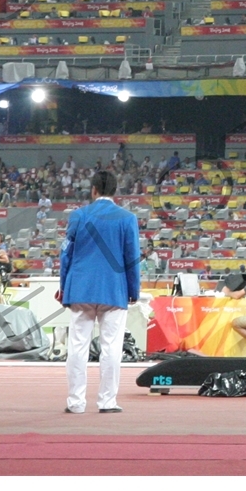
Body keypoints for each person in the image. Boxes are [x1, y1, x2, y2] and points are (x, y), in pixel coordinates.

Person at [59, 170, 141, 414]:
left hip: (81, 288)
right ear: (114, 191)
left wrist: (64, 288)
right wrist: (133, 289)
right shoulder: (127, 218)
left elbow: (66, 254)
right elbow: (132, 257)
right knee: (112, 347)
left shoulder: (79, 216)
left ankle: (75, 402)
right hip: (114, 290)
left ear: (93, 190)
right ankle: (107, 401)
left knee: (77, 345)